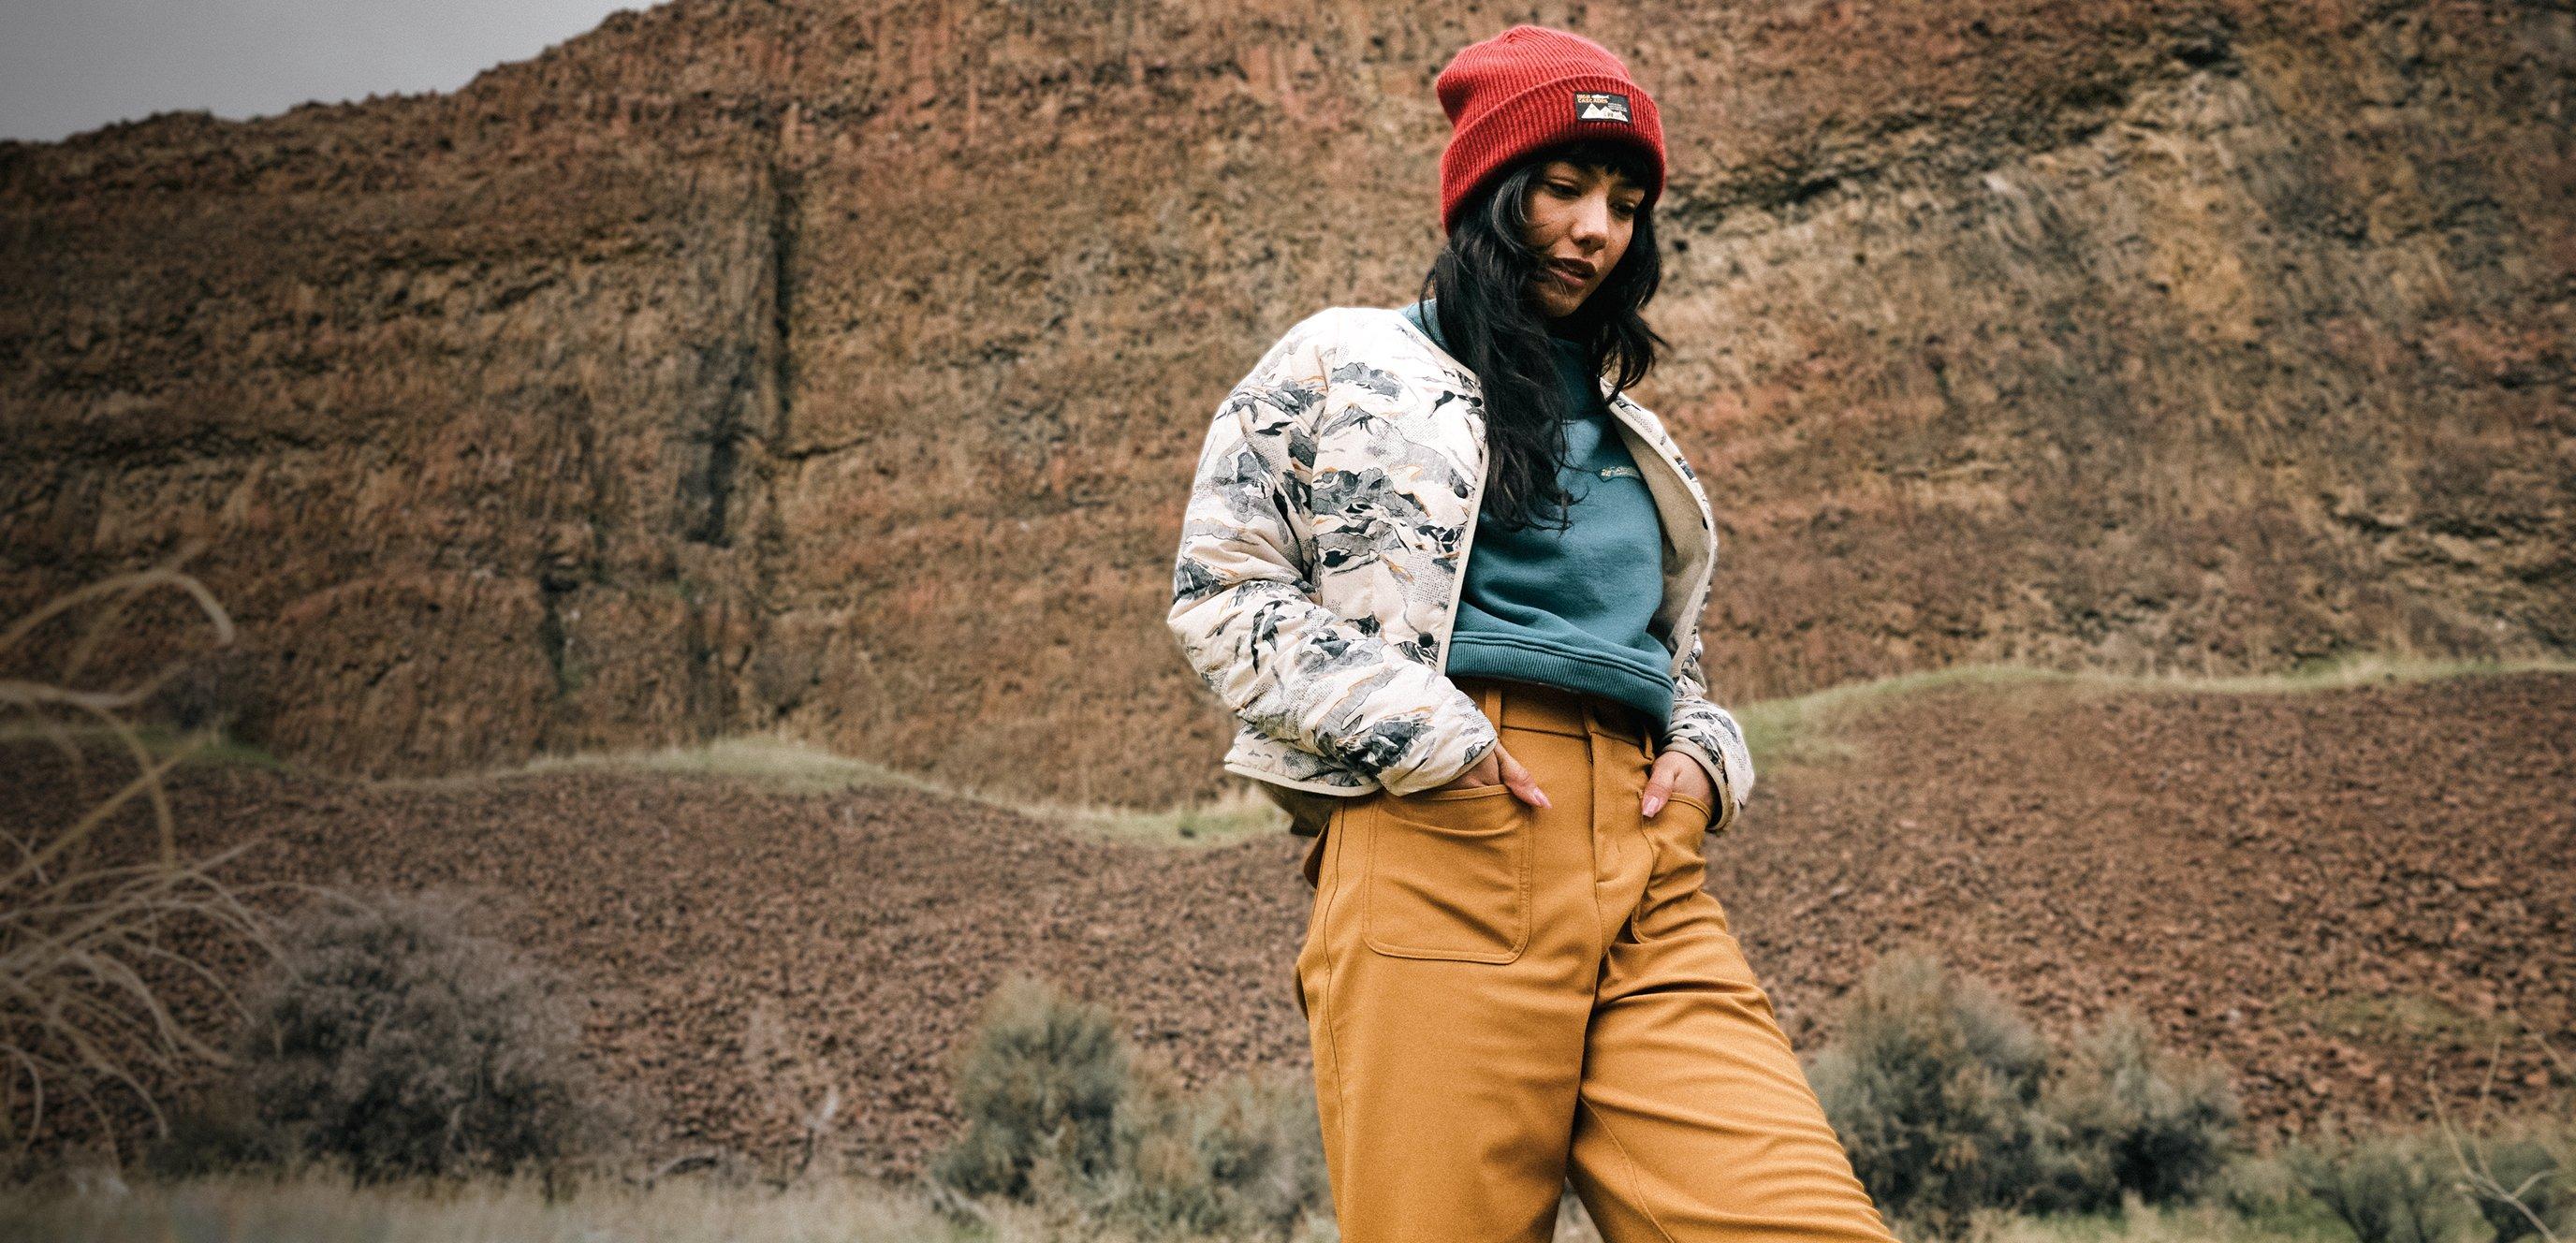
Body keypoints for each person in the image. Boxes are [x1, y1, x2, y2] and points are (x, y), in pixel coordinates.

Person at [1166, 23, 1903, 1243]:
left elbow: (1669, 663)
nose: (1595, 229)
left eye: (1623, 202)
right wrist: (1428, 735)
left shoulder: (1637, 439)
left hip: (1652, 880)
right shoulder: (1342, 361)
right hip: (1445, 846)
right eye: (1561, 189)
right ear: (1489, 196)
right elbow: (1219, 592)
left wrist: (1709, 758)